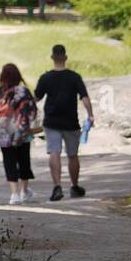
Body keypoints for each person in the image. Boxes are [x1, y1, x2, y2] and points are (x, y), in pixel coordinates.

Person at [34, 44, 95, 201]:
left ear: (52, 57)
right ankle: (74, 186)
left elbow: (37, 98)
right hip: (70, 121)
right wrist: (90, 115)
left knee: (54, 152)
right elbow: (85, 98)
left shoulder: (45, 78)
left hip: (51, 121)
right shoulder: (74, 77)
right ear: (65, 57)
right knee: (72, 155)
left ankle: (57, 187)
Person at [0, 63, 38, 204]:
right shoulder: (24, 91)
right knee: (24, 160)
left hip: (4, 132)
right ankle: (24, 191)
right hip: (22, 131)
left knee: (9, 161)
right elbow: (33, 111)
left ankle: (14, 194)